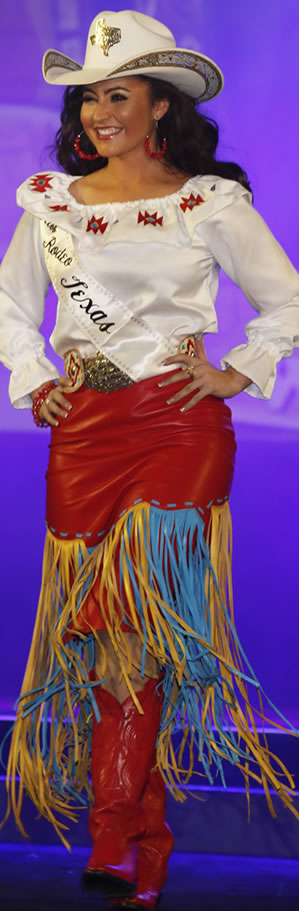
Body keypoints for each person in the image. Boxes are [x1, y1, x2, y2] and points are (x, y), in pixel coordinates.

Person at [0, 9, 299, 911]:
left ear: (161, 107)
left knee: (134, 628)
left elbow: (284, 302)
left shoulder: (207, 200)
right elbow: (16, 307)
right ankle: (145, 841)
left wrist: (232, 372)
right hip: (84, 433)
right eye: (89, 96)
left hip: (176, 431)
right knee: (110, 653)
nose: (98, 111)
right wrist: (32, 379)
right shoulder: (49, 200)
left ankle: (114, 833)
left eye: (117, 94)